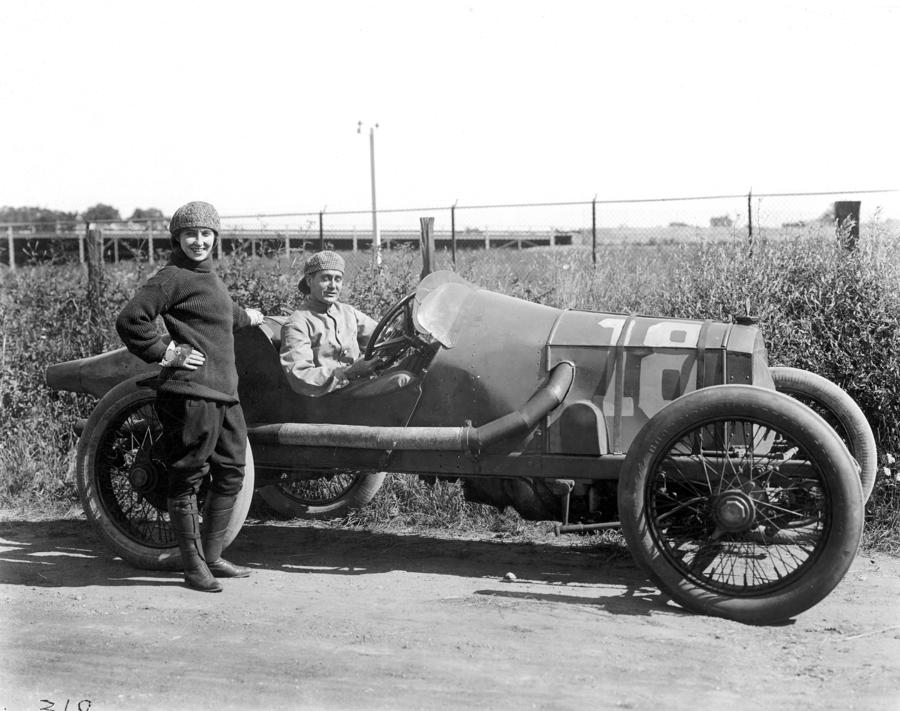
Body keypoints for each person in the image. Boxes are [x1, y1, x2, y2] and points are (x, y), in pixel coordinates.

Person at [115, 200, 265, 593]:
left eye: (206, 234)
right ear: (177, 238)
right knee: (188, 478)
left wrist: (251, 316)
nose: (199, 241)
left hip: (224, 393)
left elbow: (225, 314)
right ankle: (192, 566)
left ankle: (212, 556)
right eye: (190, 234)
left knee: (232, 470)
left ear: (215, 237)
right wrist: (166, 352)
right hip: (191, 392)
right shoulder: (172, 276)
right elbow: (131, 319)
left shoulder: (209, 277)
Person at [279, 250, 381, 396]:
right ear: (309, 281)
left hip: (360, 386)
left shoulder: (348, 312)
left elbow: (381, 335)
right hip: (330, 397)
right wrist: (348, 372)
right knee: (402, 380)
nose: (333, 286)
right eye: (326, 278)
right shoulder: (298, 323)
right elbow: (300, 376)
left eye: (338, 279)